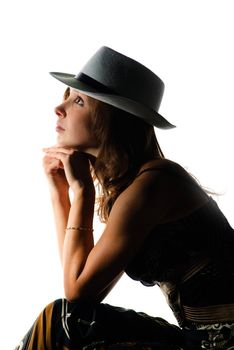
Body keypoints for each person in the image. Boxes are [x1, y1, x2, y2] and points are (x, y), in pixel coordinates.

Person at [16, 46, 234, 350]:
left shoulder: (154, 184)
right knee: (67, 320)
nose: (59, 108)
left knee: (62, 321)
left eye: (78, 100)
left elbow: (78, 291)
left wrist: (81, 191)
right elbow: (80, 288)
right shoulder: (138, 185)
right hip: (198, 337)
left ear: (112, 119)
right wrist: (59, 191)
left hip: (222, 341)